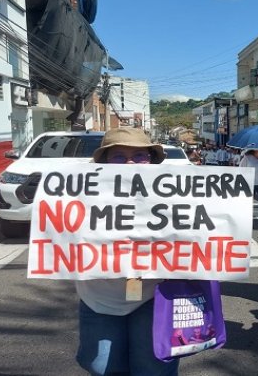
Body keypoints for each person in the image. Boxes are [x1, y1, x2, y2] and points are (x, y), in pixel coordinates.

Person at [75, 127, 179, 376]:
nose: (131, 163)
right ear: (105, 163)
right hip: (99, 297)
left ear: (151, 161)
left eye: (140, 156)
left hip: (154, 297)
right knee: (102, 368)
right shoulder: (80, 194)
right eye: (119, 156)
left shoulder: (176, 195)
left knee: (154, 370)